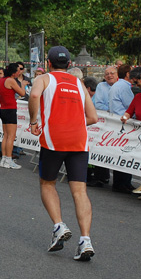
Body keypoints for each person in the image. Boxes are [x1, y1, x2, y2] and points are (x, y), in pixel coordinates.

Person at [29, 46, 98, 261]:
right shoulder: (79, 83)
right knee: (80, 191)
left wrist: (34, 121)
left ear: (49, 63)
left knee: (47, 183)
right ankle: (85, 240)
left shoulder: (44, 79)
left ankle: (59, 226)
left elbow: (33, 95)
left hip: (54, 139)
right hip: (79, 140)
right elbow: (93, 117)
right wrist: (74, 123)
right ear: (69, 64)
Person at [108, 64, 135, 193]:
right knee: (125, 153)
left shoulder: (117, 86)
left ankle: (124, 182)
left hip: (118, 120)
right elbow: (131, 105)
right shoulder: (124, 87)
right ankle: (122, 182)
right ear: (128, 74)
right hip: (123, 121)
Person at [0, 63, 26, 169]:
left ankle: (4, 159)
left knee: (6, 135)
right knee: (11, 136)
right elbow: (22, 93)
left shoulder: (1, 81)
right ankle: (8, 159)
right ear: (14, 72)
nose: (19, 72)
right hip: (10, 109)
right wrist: (23, 84)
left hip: (3, 109)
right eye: (18, 70)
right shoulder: (11, 80)